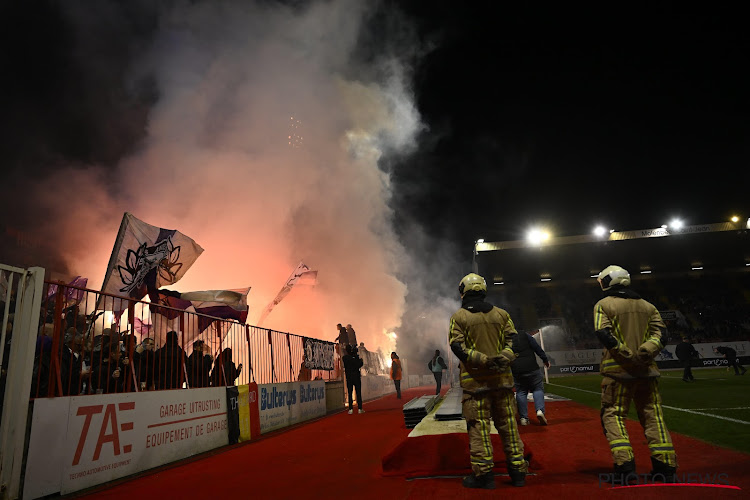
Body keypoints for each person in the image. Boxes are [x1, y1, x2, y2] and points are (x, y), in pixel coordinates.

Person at [593, 265, 677, 483]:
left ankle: (625, 469)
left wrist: (626, 354)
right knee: (653, 417)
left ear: (609, 281)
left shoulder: (603, 305)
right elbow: (662, 334)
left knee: (613, 415)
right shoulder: (648, 306)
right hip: (647, 372)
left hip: (617, 373)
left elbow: (604, 333)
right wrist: (646, 351)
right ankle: (666, 469)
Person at [449, 273, 527, 489]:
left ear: (463, 291)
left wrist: (482, 360)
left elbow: (458, 347)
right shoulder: (502, 315)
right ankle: (518, 472)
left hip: (476, 386)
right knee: (509, 427)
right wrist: (504, 357)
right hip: (502, 383)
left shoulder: (459, 317)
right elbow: (515, 341)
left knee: (479, 429)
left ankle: (484, 476)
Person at [511, 330, 551, 426]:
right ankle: (540, 411)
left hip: (517, 370)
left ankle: (523, 418)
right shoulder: (525, 335)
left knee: (521, 392)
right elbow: (537, 348)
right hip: (531, 367)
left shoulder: (503, 339)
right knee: (537, 389)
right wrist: (545, 360)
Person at [342, 344, 365, 413]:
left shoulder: (345, 358)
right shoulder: (355, 358)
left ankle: (350, 409)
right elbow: (359, 364)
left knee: (350, 393)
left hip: (349, 377)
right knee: (358, 393)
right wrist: (360, 360)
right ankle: (360, 408)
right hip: (356, 377)